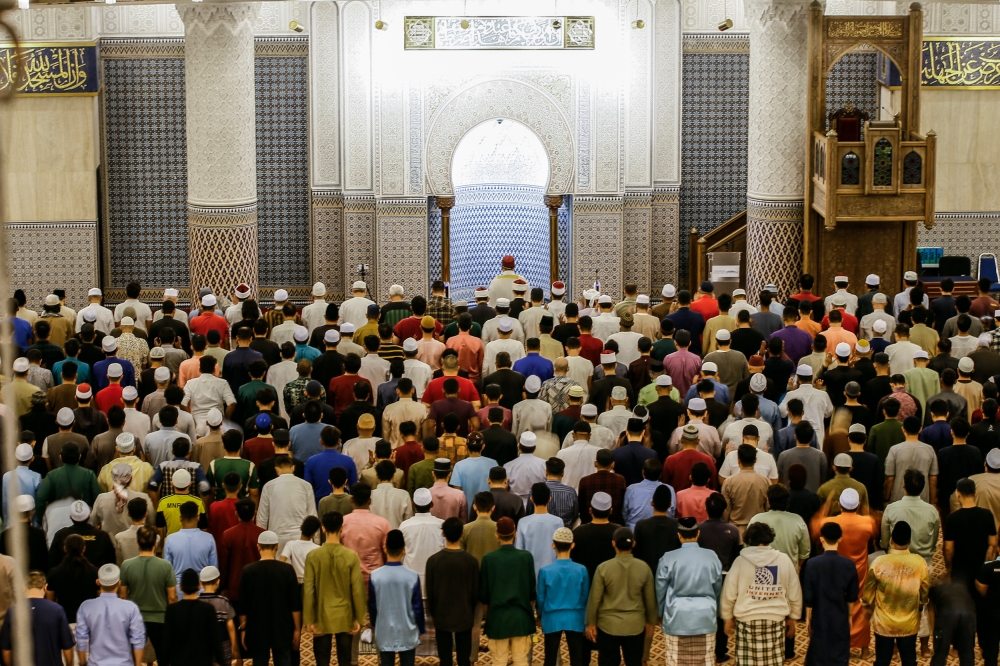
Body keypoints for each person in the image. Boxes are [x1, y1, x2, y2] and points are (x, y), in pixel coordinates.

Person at [720, 522, 802, 666]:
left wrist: (727, 617)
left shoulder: (740, 561)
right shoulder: (784, 560)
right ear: (770, 538)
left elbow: (729, 592)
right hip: (776, 620)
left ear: (748, 539)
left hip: (746, 620)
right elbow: (794, 591)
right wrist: (793, 617)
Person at [584, 526, 658, 666]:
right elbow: (650, 599)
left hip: (608, 625)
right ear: (633, 544)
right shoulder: (644, 568)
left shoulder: (603, 568)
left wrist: (591, 622)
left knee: (608, 661)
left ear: (613, 543)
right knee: (634, 661)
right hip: (635, 625)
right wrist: (650, 621)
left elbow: (595, 598)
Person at [654, 517, 723, 666]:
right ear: (698, 534)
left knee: (675, 660)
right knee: (706, 660)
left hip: (676, 617)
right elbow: (718, 588)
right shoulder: (712, 556)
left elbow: (660, 590)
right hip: (705, 616)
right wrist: (716, 613)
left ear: (679, 535)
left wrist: (660, 613)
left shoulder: (668, 558)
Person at [303, 511, 367, 666]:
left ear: (323, 528)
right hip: (345, 615)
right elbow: (357, 589)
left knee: (322, 660)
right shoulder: (351, 556)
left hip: (321, 614)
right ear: (342, 528)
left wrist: (309, 619)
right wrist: (360, 618)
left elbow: (309, 590)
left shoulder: (313, 556)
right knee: (345, 660)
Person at [862, 521, 930, 666]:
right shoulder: (919, 563)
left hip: (884, 623)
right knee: (909, 660)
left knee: (882, 661)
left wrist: (867, 606)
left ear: (891, 540)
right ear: (910, 541)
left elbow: (868, 594)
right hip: (909, 623)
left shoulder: (879, 563)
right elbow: (924, 592)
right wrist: (921, 604)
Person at [239, 530, 302, 666]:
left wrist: (243, 629)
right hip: (283, 629)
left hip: (257, 630)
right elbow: (295, 605)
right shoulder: (287, 570)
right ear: (277, 547)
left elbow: (243, 605)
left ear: (258, 547)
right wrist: (297, 630)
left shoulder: (248, 571)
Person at [479, 516, 536, 666]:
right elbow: (531, 592)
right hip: (521, 617)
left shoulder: (488, 559)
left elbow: (484, 596)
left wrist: (489, 616)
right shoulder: (526, 557)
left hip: (498, 618)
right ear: (515, 533)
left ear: (496, 535)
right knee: (521, 660)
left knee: (499, 660)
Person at [801, 521, 860, 666]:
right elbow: (852, 595)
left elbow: (808, 594)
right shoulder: (848, 564)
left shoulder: (812, 564)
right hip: (840, 613)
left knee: (819, 651)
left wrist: (808, 618)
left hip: (820, 614)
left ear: (822, 539)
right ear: (840, 538)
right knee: (839, 650)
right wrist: (850, 616)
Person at [426, 517, 480, 666]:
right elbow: (475, 592)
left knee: (445, 659)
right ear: (462, 534)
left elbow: (430, 592)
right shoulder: (471, 561)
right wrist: (470, 610)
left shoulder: (433, 561)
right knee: (464, 659)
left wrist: (434, 613)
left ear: (443, 534)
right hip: (465, 614)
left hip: (442, 614)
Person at [119, 525, 177, 660]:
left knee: (134, 658)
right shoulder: (165, 566)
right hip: (161, 619)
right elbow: (172, 597)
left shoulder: (126, 565)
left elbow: (122, 596)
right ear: (155, 542)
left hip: (136, 619)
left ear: (137, 542)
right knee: (164, 658)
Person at [536, 527, 589, 666]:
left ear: (553, 545)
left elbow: (541, 598)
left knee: (550, 658)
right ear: (572, 545)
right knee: (577, 658)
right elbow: (585, 596)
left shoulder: (545, 571)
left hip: (552, 618)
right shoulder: (581, 570)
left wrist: (539, 615)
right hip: (576, 617)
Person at [75, 563, 146, 666]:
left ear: (98, 582)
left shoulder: (86, 606)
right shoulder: (131, 607)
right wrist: (138, 664)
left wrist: (82, 663)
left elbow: (81, 638)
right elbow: (138, 639)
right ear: (119, 583)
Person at [0, 570, 75, 666]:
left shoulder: (13, 611)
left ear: (23, 588)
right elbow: (67, 647)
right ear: (45, 587)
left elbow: (6, 649)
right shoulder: (57, 610)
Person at [160, 568, 226, 666]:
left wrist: (164, 663)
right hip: (203, 662)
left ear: (180, 587)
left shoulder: (172, 610)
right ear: (199, 586)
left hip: (179, 662)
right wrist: (221, 661)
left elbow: (167, 642)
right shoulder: (207, 609)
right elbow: (215, 639)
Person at [257, 454, 318, 552]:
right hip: (300, 536)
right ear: (293, 468)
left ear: (276, 469)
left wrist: (262, 542)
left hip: (276, 536)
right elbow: (312, 515)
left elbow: (262, 518)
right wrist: (316, 541)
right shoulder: (306, 486)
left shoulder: (268, 486)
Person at [944, 477, 998, 585]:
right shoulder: (987, 515)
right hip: (981, 568)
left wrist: (949, 568)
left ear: (958, 494)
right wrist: (988, 564)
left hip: (960, 570)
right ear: (975, 493)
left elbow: (949, 549)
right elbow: (993, 544)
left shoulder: (952, 518)